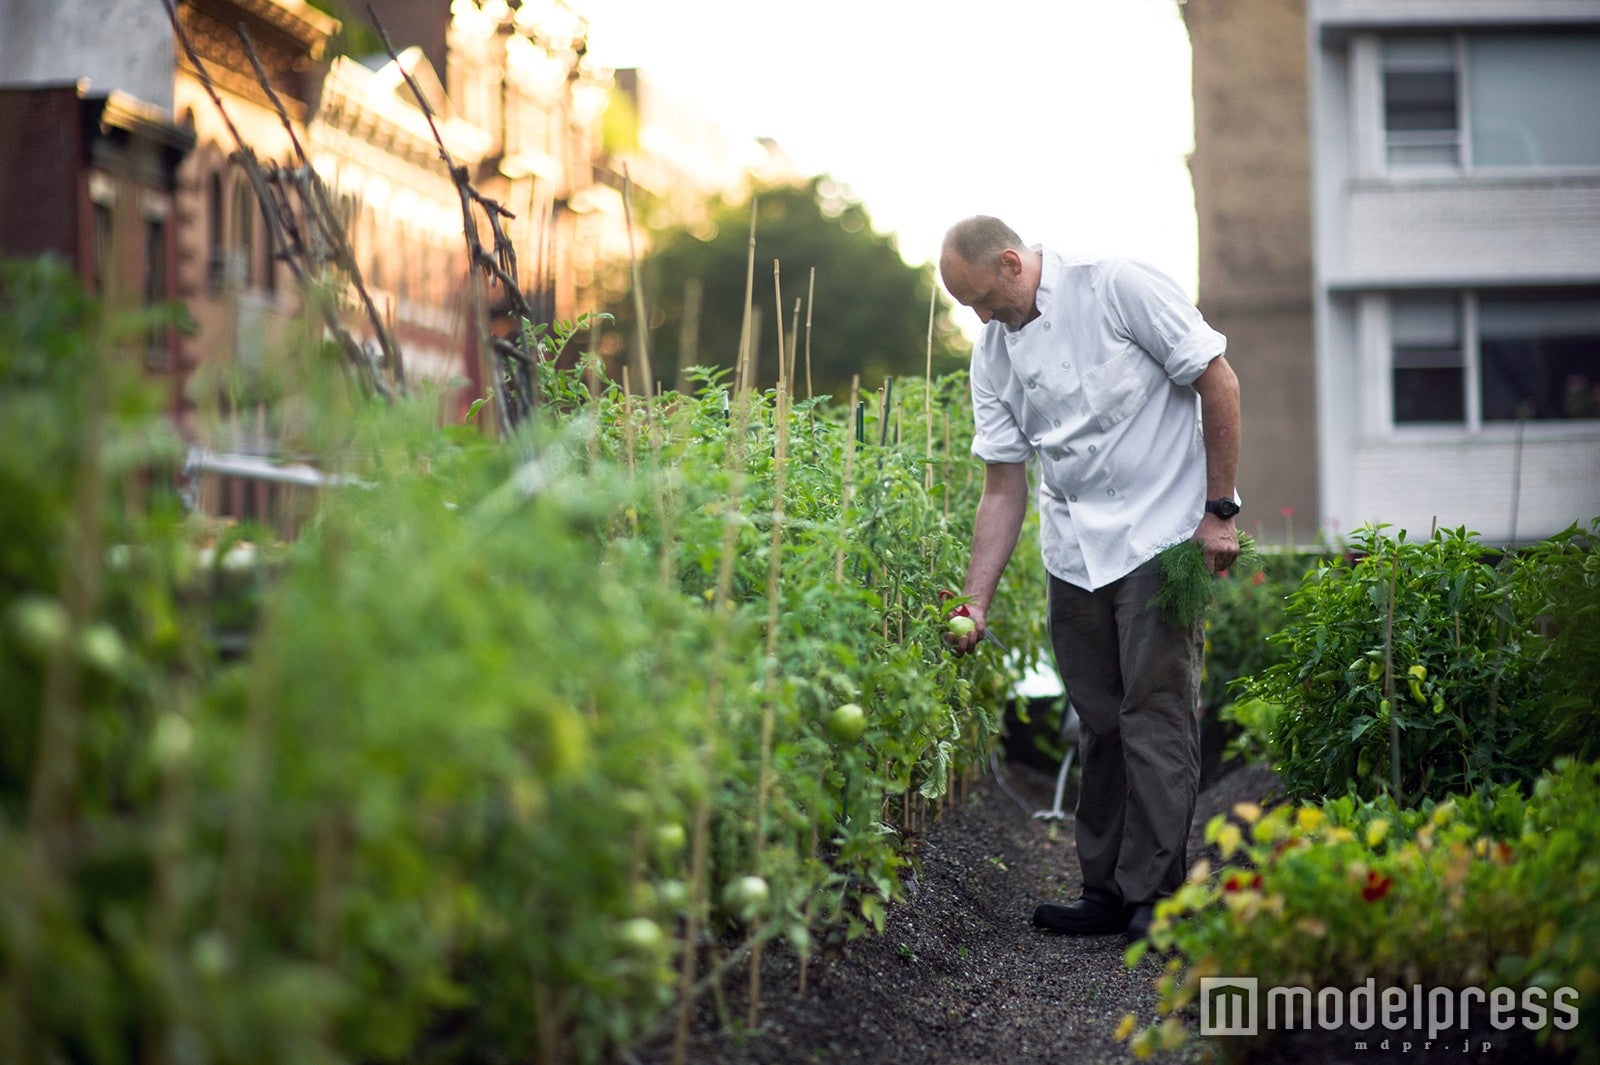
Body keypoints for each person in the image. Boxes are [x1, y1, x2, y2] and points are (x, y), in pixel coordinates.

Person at [938, 215, 1241, 943]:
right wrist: (975, 599)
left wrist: (1219, 510)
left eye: (983, 298)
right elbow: (1003, 484)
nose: (981, 318)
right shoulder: (995, 354)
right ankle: (1103, 888)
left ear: (1012, 262)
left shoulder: (1117, 287)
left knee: (1156, 709)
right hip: (1075, 550)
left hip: (1163, 533)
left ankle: (1157, 894)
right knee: (1099, 718)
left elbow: (1217, 378)